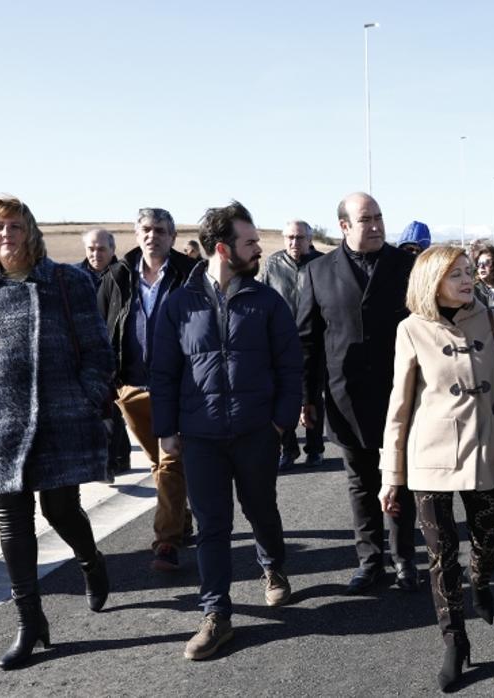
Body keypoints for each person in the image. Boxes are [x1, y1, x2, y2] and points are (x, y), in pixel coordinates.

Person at [151, 201, 302, 660]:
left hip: (257, 432)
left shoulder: (267, 301)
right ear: (223, 248)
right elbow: (163, 372)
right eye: (251, 242)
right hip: (201, 438)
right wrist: (166, 429)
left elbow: (290, 367)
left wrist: (279, 422)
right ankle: (216, 614)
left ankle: (273, 567)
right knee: (213, 526)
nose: (260, 249)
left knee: (261, 511)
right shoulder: (179, 304)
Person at [378, 245, 494, 690]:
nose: (467, 280)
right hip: (430, 458)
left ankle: (481, 580)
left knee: (488, 538)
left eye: (468, 272)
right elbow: (399, 408)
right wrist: (391, 475)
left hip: (485, 451)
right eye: (455, 274)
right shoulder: (411, 330)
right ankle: (454, 640)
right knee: (441, 556)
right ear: (431, 282)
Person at [0, 196, 113, 669]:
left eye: (14, 226)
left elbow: (98, 348)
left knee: (61, 510)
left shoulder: (66, 281)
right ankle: (30, 622)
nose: (6, 235)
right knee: (12, 523)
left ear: (30, 231)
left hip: (61, 419)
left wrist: (88, 396)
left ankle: (91, 561)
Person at [298, 192, 420, 594]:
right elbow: (308, 341)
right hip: (345, 396)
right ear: (344, 227)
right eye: (366, 219)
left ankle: (405, 561)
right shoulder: (318, 272)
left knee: (400, 477)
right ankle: (370, 562)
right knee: (361, 482)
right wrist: (307, 399)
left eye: (380, 217)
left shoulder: (407, 266)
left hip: (402, 393)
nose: (376, 225)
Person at [97, 207, 198, 571]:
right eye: (145, 229)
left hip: (178, 387)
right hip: (130, 387)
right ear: (135, 234)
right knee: (159, 463)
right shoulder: (118, 275)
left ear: (172, 236)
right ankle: (181, 521)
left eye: (159, 230)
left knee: (171, 460)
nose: (151, 235)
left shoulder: (190, 274)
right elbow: (101, 327)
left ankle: (166, 543)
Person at [258, 220, 325, 471]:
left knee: (312, 396)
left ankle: (315, 448)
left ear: (309, 239)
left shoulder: (321, 264)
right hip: (280, 340)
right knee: (280, 394)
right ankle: (288, 448)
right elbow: (262, 297)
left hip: (315, 341)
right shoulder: (273, 264)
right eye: (289, 237)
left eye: (299, 238)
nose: (294, 243)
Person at [76, 227, 131, 475]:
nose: (95, 254)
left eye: (101, 249)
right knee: (99, 407)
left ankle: (115, 459)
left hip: (118, 351)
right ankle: (113, 458)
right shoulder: (73, 277)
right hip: (84, 351)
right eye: (91, 249)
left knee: (115, 406)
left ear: (112, 250)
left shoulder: (126, 276)